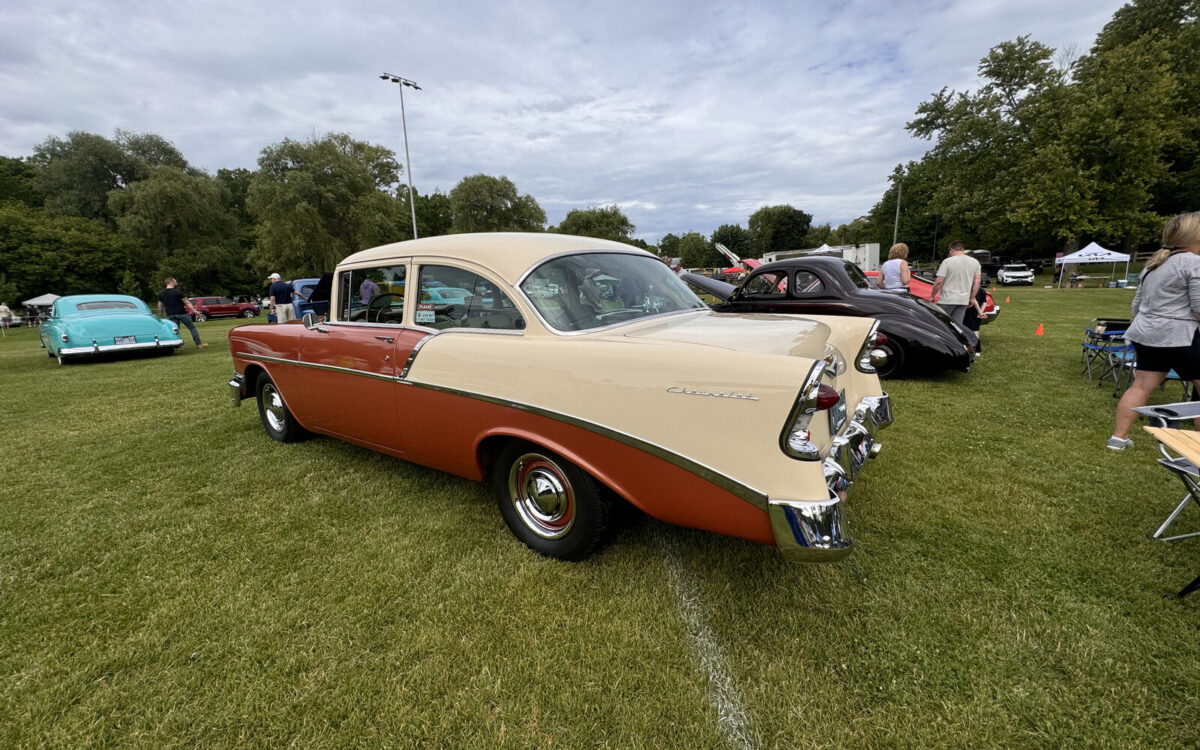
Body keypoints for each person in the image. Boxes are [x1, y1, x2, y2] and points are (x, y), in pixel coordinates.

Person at [1109, 211, 1200, 450]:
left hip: (1146, 334)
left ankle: (1119, 438)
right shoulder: (1194, 263)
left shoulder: (1153, 265)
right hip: (1181, 335)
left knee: (1140, 386)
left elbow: (1137, 305)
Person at [930, 240, 981, 325]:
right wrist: (972, 297)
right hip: (963, 299)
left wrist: (932, 296)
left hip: (947, 299)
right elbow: (977, 281)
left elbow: (939, 281)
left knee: (941, 324)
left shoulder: (947, 261)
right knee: (957, 326)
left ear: (951, 250)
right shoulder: (975, 262)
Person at [156, 277, 206, 349]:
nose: (177, 283)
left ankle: (178, 346)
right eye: (175, 281)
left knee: (175, 330)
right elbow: (188, 303)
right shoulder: (178, 292)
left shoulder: (161, 294)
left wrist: (159, 315)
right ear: (171, 282)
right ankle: (199, 344)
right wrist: (195, 311)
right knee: (192, 327)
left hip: (170, 314)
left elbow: (160, 306)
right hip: (182, 313)